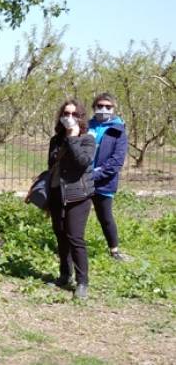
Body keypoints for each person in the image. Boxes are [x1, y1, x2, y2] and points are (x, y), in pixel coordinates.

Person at [47, 99, 96, 299]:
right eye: (66, 113)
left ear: (80, 117)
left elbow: (82, 162)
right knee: (60, 234)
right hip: (57, 192)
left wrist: (73, 138)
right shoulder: (55, 140)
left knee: (75, 237)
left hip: (79, 195)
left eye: (74, 114)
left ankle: (82, 282)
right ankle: (65, 274)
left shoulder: (88, 139)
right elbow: (52, 167)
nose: (69, 117)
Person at [88, 93, 130, 261]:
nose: (103, 109)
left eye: (108, 106)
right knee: (76, 216)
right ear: (94, 107)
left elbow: (116, 161)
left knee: (105, 217)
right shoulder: (86, 126)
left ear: (114, 108)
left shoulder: (118, 130)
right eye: (100, 106)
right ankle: (72, 246)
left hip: (103, 182)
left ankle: (114, 250)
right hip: (81, 180)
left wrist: (95, 175)